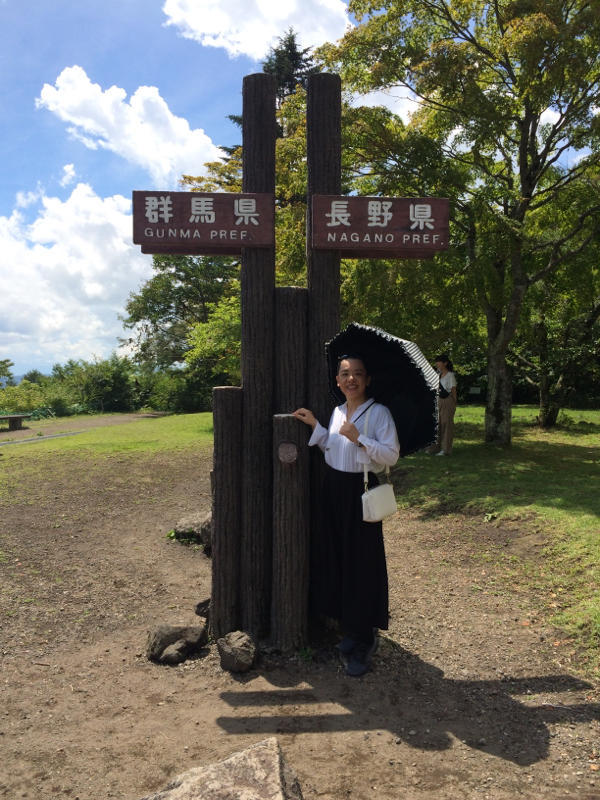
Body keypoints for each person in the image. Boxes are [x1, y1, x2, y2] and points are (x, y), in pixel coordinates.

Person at [293, 354, 400, 677]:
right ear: (337, 382)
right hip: (333, 490)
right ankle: (349, 630)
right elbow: (333, 449)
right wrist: (316, 426)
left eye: (357, 374)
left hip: (359, 491)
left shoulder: (379, 413)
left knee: (361, 563)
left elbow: (391, 455)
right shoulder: (338, 411)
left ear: (367, 380)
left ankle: (365, 638)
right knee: (336, 558)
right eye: (344, 374)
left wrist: (361, 438)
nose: (350, 379)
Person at [432, 353, 457, 456]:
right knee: (437, 424)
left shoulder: (450, 375)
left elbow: (453, 390)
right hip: (438, 400)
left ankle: (446, 449)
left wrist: (454, 403)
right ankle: (435, 448)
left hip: (448, 400)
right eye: (437, 362)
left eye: (439, 361)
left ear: (445, 363)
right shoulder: (437, 374)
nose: (437, 363)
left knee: (446, 424)